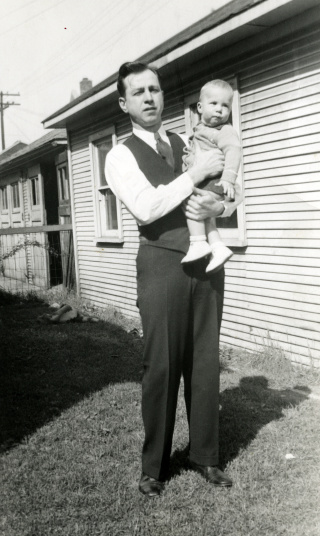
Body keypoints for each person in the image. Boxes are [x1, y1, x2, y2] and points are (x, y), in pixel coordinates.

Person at [105, 61, 238, 497]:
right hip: (161, 264)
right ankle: (154, 466)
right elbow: (146, 207)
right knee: (161, 365)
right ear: (124, 103)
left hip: (205, 264)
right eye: (139, 92)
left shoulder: (189, 139)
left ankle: (205, 455)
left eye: (155, 90)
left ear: (164, 96)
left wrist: (219, 207)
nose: (149, 98)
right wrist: (194, 176)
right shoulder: (120, 154)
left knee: (203, 362)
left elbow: (225, 193)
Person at [181, 79, 242, 273]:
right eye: (213, 104)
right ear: (199, 107)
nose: (219, 110)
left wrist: (228, 178)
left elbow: (233, 150)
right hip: (209, 182)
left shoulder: (224, 130)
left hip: (215, 182)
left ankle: (198, 243)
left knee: (192, 205)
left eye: (225, 106)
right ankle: (218, 247)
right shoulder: (201, 130)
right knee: (207, 218)